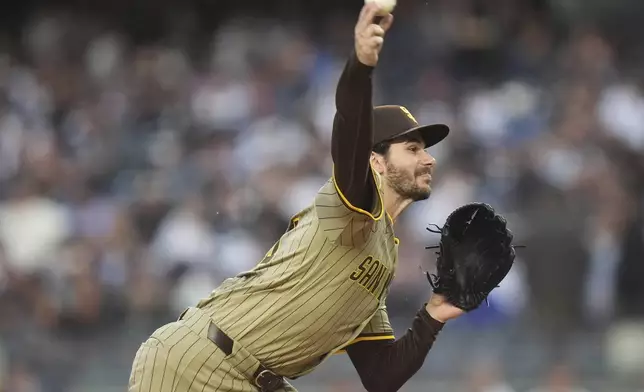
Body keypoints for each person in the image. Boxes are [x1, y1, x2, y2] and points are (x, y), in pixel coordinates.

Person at [128, 4, 465, 392]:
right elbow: (349, 133)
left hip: (254, 379)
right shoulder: (352, 206)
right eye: (412, 148)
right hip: (200, 362)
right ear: (376, 160)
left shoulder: (383, 255)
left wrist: (434, 313)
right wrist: (360, 65)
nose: (428, 158)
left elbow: (381, 375)